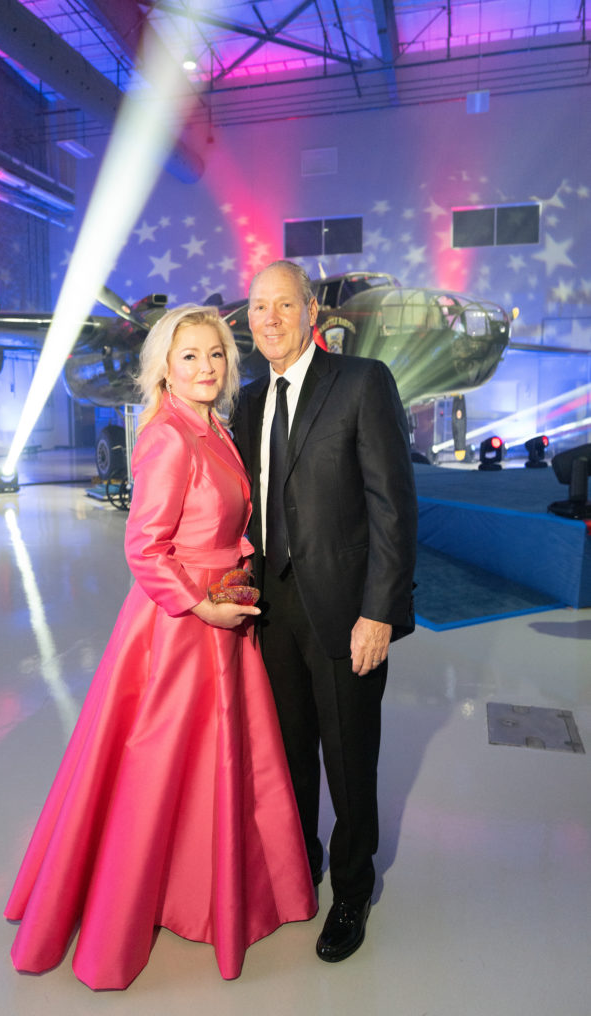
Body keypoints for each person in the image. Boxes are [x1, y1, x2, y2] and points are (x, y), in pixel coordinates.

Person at [4, 304, 316, 990]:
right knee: (157, 768)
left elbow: (224, 522)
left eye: (214, 355)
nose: (205, 367)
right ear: (164, 370)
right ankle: (125, 913)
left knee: (217, 769)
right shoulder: (168, 438)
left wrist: (234, 574)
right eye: (189, 357)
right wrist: (203, 604)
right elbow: (144, 549)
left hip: (222, 619)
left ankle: (197, 891)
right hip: (179, 630)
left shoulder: (214, 429)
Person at [232, 261, 417, 964]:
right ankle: (299, 865)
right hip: (270, 612)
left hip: (345, 613)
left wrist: (380, 612)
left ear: (311, 310)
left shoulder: (362, 382)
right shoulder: (247, 403)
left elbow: (393, 510)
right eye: (257, 307)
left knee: (348, 760)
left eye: (284, 304)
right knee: (287, 758)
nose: (270, 318)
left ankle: (350, 891)